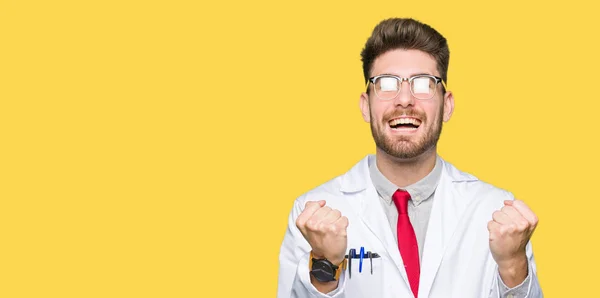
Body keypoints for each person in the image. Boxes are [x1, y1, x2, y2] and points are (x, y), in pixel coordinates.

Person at [277, 18, 542, 298]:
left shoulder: (497, 212)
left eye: (424, 84)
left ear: (447, 105)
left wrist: (513, 265)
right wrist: (324, 266)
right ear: (366, 107)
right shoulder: (311, 216)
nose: (405, 99)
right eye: (387, 84)